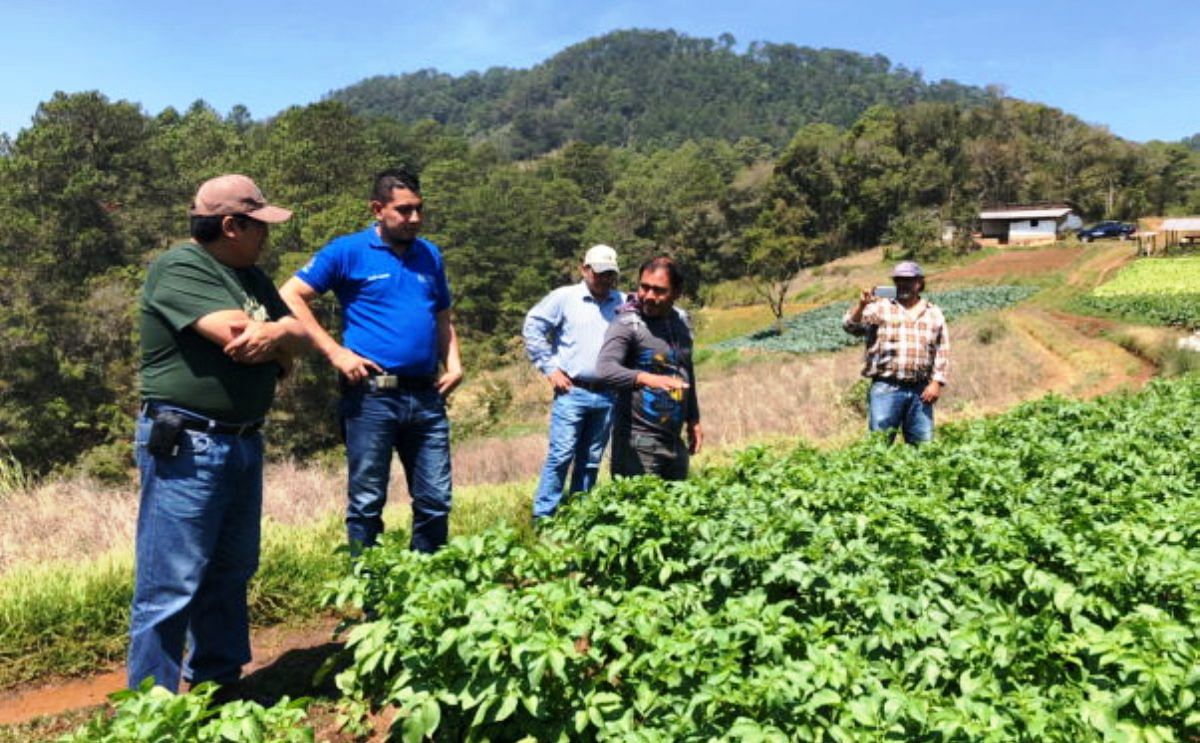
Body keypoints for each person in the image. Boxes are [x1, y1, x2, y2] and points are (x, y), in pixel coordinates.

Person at [129, 174, 307, 692]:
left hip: (242, 439)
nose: (266, 237)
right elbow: (235, 335)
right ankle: (152, 710)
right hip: (190, 443)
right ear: (230, 225)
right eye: (259, 226)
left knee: (231, 572)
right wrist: (279, 340)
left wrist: (276, 334)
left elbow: (295, 333)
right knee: (171, 584)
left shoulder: (250, 277)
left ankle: (220, 687)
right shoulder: (181, 266)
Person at [279, 168, 462, 555]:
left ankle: (425, 591)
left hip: (426, 396)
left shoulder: (429, 254)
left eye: (419, 209)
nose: (414, 219)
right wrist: (335, 352)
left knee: (435, 501)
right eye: (404, 211)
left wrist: (455, 364)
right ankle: (371, 595)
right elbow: (291, 295)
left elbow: (443, 315)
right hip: (372, 397)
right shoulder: (347, 251)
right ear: (378, 209)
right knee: (367, 502)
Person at [523, 245, 624, 519]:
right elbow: (533, 325)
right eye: (599, 273)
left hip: (607, 395)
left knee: (591, 460)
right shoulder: (564, 298)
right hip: (572, 391)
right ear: (585, 269)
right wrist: (550, 368)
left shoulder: (623, 303)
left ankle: (581, 516)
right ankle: (544, 517)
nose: (604, 279)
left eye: (610, 274)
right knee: (561, 455)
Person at [596, 255, 702, 480]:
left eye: (659, 290)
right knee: (638, 510)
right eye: (644, 287)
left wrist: (693, 420)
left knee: (676, 511)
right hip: (638, 443)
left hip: (674, 440)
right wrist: (649, 379)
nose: (649, 296)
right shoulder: (627, 324)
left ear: (676, 292)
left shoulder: (680, 323)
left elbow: (686, 372)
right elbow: (605, 369)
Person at [842, 260, 950, 444]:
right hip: (886, 387)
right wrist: (861, 306)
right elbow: (851, 327)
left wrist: (936, 383)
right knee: (879, 445)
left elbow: (942, 349)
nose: (903, 284)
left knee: (923, 446)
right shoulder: (880, 307)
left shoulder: (933, 312)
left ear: (919, 283)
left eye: (909, 280)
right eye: (899, 280)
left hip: (921, 390)